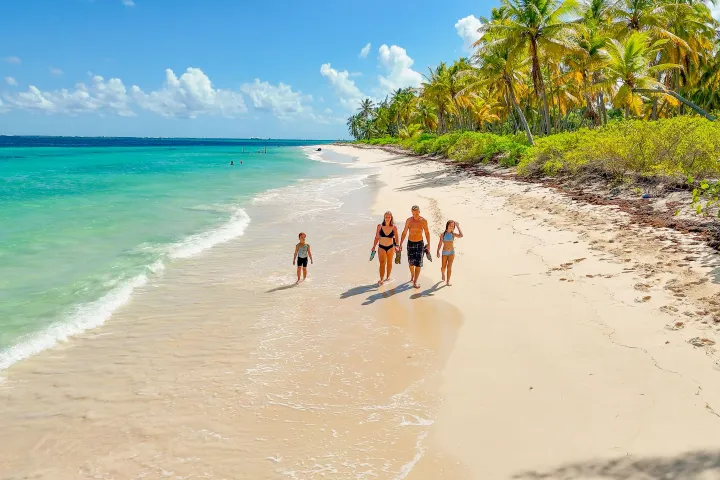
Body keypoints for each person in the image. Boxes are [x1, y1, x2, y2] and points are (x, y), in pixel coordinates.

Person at [400, 205, 431, 289]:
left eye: (416, 214)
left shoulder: (423, 221)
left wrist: (429, 244)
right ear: (412, 213)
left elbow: (427, 233)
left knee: (418, 263)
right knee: (410, 263)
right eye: (413, 214)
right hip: (410, 243)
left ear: (419, 212)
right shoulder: (409, 220)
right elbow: (404, 232)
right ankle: (412, 275)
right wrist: (400, 244)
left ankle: (415, 281)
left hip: (419, 243)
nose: (415, 215)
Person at [371, 211, 399, 285]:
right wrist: (374, 246)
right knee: (382, 263)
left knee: (389, 262)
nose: (387, 218)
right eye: (386, 217)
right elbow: (377, 237)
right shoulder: (379, 226)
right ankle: (381, 279)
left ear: (391, 218)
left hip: (390, 247)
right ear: (384, 217)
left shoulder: (394, 227)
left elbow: (396, 238)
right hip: (381, 247)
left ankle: (388, 277)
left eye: (389, 217)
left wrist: (397, 246)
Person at [436, 220, 464, 286]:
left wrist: (458, 226)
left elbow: (461, 235)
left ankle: (448, 281)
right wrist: (438, 251)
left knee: (449, 267)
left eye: (453, 226)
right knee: (443, 267)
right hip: (444, 253)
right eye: (450, 225)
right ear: (447, 225)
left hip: (451, 252)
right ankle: (443, 273)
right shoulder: (443, 234)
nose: (451, 227)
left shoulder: (453, 234)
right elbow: (440, 244)